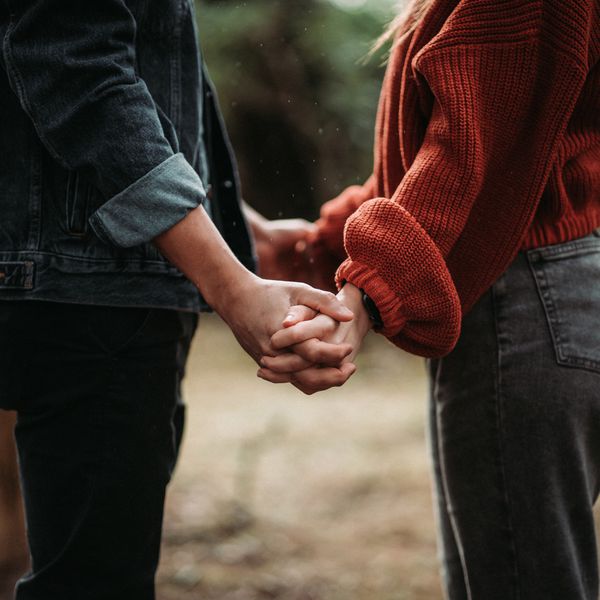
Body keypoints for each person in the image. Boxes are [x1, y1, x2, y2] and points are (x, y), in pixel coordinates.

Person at [0, 1, 357, 598]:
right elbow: (77, 70)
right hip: (93, 294)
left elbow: (152, 79)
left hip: (85, 282)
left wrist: (241, 232)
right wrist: (228, 282)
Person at [260, 0, 600, 598]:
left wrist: (365, 288)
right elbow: (432, 156)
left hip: (524, 301)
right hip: (549, 292)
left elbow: (468, 149)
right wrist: (319, 245)